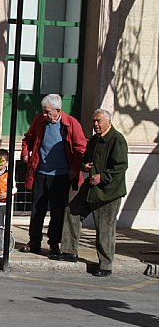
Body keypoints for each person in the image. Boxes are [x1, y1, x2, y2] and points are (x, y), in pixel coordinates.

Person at [52, 109, 128, 277]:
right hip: (91, 187)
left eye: (98, 121)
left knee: (105, 227)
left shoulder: (117, 139)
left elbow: (121, 167)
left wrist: (103, 177)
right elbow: (86, 160)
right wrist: (84, 166)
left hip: (109, 192)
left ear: (108, 121)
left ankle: (106, 264)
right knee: (71, 211)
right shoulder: (94, 140)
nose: (95, 124)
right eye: (94, 121)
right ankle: (69, 251)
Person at [20, 94, 86, 256]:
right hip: (40, 173)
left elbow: (80, 148)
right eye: (43, 111)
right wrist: (25, 153)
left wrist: (74, 169)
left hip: (60, 175)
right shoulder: (39, 121)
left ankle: (54, 243)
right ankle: (34, 241)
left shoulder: (71, 124)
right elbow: (27, 139)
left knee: (57, 211)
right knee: (37, 210)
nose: (44, 115)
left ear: (58, 110)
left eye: (48, 112)